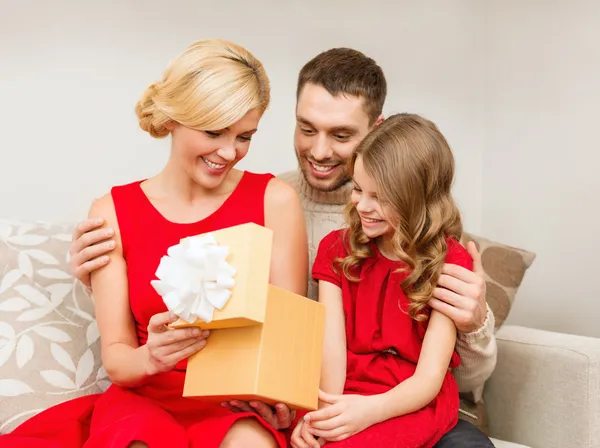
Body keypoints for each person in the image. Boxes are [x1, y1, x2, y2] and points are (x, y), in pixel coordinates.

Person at [69, 48, 497, 446]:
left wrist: (475, 323)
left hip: (391, 402)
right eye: (307, 129)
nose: (320, 150)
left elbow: (457, 374)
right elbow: (124, 350)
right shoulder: (292, 204)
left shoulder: (419, 227)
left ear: (376, 133)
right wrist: (100, 283)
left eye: (342, 135)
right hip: (207, 396)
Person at [0, 39, 307, 448]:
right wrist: (153, 356)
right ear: (172, 120)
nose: (229, 151)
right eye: (214, 131)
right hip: (146, 401)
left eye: (244, 136)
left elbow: (285, 344)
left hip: (234, 407)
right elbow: (119, 359)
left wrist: (277, 396)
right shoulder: (112, 211)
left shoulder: (276, 201)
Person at [291, 113, 475, 448]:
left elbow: (429, 378)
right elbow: (330, 353)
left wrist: (369, 411)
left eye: (380, 197)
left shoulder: (449, 261)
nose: (362, 204)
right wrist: (322, 415)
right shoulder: (335, 248)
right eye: (358, 189)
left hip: (410, 400)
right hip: (348, 391)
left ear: (417, 199)